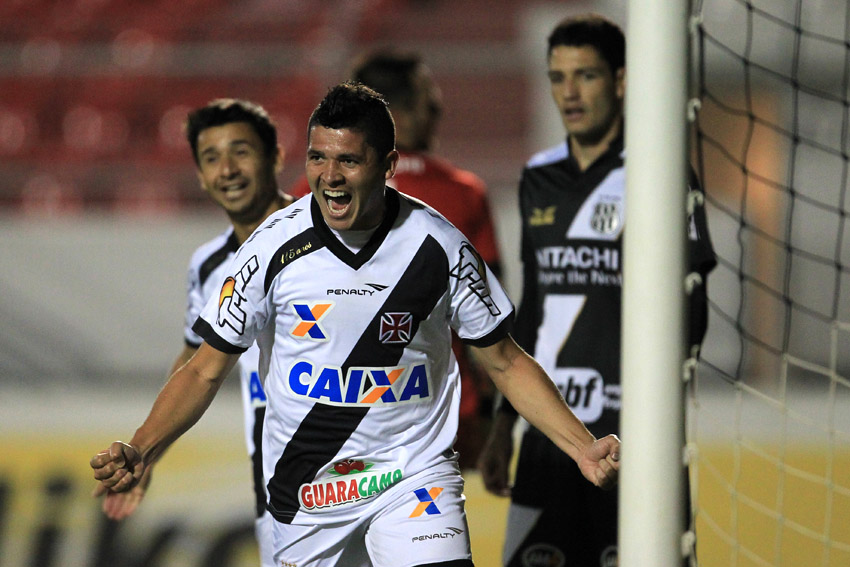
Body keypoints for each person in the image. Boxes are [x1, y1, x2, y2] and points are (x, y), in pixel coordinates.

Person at [91, 82, 621, 567]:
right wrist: (142, 446)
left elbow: (504, 362)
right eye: (317, 157)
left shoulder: (439, 246)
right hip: (307, 490)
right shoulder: (270, 248)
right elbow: (204, 369)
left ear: (388, 164)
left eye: (348, 159)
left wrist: (581, 446)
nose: (330, 176)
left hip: (411, 476)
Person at [476, 13, 717, 567]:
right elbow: (533, 306)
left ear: (621, 80)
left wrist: (657, 412)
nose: (569, 92)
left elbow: (693, 307)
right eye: (557, 77)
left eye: (585, 75)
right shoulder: (538, 175)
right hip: (549, 434)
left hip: (632, 437)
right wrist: (503, 424)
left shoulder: (660, 172)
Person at [92, 98, 293, 567]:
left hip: (363, 461)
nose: (228, 169)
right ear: (200, 176)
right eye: (211, 158)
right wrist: (148, 453)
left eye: (241, 151)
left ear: (276, 157)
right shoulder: (208, 265)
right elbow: (193, 363)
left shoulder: (327, 237)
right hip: (277, 476)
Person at [289, 49, 502, 469]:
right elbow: (489, 320)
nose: (438, 113)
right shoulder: (464, 193)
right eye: (427, 104)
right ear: (394, 115)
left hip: (330, 409)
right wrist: (493, 416)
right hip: (441, 411)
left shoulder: (311, 191)